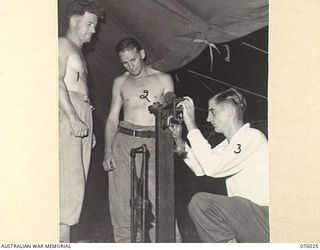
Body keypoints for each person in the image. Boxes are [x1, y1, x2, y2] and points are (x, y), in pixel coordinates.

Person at [103, 37, 181, 242]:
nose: (130, 66)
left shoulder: (163, 79)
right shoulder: (120, 81)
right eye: (125, 62)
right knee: (121, 206)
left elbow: (170, 108)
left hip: (154, 143)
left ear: (142, 54)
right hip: (123, 141)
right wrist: (107, 151)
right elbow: (112, 118)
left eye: (133, 60)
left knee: (161, 203)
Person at [172, 88, 269, 243]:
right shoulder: (227, 145)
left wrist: (191, 124)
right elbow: (201, 169)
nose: (208, 119)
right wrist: (180, 142)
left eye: (212, 112)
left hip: (264, 216)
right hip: (246, 216)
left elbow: (213, 168)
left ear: (230, 111)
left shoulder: (252, 137)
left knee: (201, 203)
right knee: (201, 204)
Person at [58, 0, 103, 243]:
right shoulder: (62, 45)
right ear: (75, 19)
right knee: (68, 184)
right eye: (90, 24)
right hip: (69, 115)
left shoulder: (79, 53)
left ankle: (63, 240)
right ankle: (58, 242)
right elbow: (55, 82)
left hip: (82, 116)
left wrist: (87, 124)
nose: (94, 31)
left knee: (77, 185)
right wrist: (73, 117)